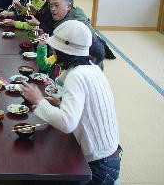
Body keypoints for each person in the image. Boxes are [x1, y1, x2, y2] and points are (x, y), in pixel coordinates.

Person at [20, 20, 121, 184]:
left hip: (99, 165)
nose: (52, 49)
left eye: (54, 48)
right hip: (108, 155)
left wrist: (39, 100)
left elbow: (67, 123)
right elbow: (85, 110)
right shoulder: (91, 67)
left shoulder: (77, 75)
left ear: (62, 51)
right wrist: (59, 103)